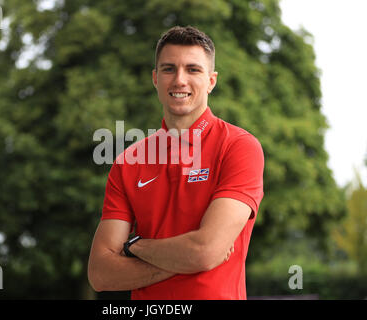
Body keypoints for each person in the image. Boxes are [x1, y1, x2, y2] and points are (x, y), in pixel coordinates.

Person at [87, 26, 264, 300]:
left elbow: (206, 251)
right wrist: (188, 259)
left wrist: (135, 246)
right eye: (169, 69)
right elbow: (101, 273)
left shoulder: (239, 147)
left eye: (193, 69)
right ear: (156, 79)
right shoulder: (128, 163)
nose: (180, 80)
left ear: (211, 81)